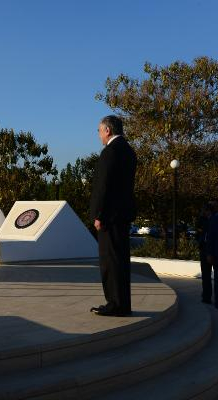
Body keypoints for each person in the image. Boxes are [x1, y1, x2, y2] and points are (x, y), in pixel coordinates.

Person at [90, 115, 137, 317]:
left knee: (110, 262)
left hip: (110, 217)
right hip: (123, 215)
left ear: (108, 130)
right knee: (121, 261)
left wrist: (99, 214)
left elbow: (104, 187)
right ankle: (122, 304)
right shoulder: (129, 151)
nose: (99, 135)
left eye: (100, 130)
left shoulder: (110, 151)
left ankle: (115, 305)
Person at [197, 201, 217, 304]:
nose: (204, 212)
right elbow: (199, 231)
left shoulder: (216, 219)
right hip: (204, 248)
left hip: (215, 249)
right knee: (206, 275)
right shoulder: (202, 220)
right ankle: (206, 296)